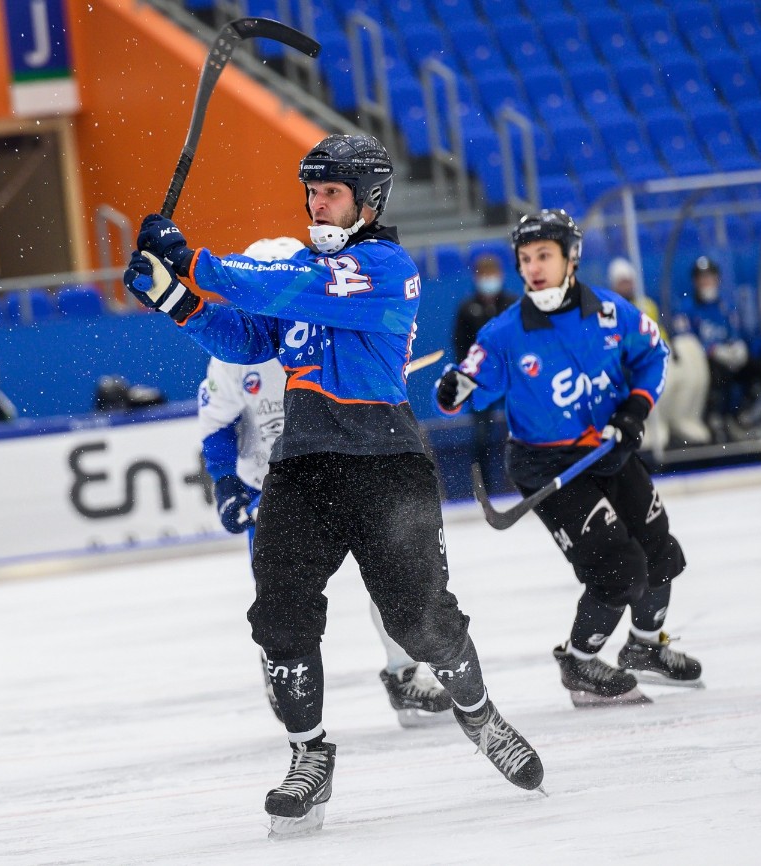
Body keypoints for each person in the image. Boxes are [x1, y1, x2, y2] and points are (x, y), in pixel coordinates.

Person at [124, 133, 543, 837]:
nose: (317, 204)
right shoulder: (305, 268)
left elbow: (283, 287)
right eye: (311, 191)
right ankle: (308, 756)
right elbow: (250, 339)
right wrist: (174, 299)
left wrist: (191, 261)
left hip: (386, 465)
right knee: (279, 617)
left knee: (420, 622)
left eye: (331, 193)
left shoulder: (384, 268)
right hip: (304, 462)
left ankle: (478, 711)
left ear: (368, 201)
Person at [435, 209, 703, 709]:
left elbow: (653, 354)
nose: (533, 267)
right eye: (526, 258)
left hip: (609, 450)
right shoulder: (503, 333)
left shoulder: (610, 311)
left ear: (571, 257)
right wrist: (452, 390)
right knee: (619, 571)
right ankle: (579, 662)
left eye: (544, 255)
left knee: (661, 554)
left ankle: (645, 648)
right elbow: (466, 386)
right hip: (547, 465)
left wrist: (634, 409)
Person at [200, 235, 453, 729]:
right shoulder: (234, 351)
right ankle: (282, 666)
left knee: (390, 576)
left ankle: (403, 672)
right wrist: (228, 484)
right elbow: (216, 425)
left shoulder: (330, 325)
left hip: (343, 467)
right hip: (274, 487)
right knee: (283, 599)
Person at [607, 258, 711, 448]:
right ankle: (654, 425)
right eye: (622, 281)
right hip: (633, 360)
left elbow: (657, 331)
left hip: (656, 353)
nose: (627, 285)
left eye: (629, 280)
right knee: (656, 379)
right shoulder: (611, 309)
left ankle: (684, 419)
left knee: (685, 365)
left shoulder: (646, 304)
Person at [671, 257, 761, 441]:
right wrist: (711, 350)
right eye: (702, 278)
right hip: (702, 364)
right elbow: (684, 342)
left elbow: (733, 333)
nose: (706, 282)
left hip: (728, 359)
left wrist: (737, 347)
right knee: (716, 372)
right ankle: (715, 419)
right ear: (695, 281)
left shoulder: (725, 306)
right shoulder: (686, 308)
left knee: (759, 368)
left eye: (709, 277)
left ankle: (742, 415)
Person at [450, 247, 519, 492]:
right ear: (476, 277)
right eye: (484, 274)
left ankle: (524, 482)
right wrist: (470, 378)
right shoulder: (467, 308)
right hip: (481, 383)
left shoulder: (512, 305)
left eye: (492, 274)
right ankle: (485, 488)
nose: (489, 280)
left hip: (513, 382)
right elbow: (460, 346)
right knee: (481, 436)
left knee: (522, 430)